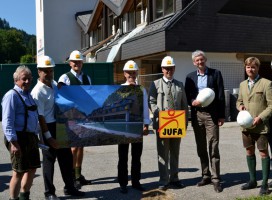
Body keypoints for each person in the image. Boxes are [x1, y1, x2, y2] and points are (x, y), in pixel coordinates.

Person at [31, 55, 85, 200]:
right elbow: (40, 117)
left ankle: (70, 188)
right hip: (47, 128)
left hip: (60, 125)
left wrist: (62, 87)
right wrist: (49, 137)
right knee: (49, 161)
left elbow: (63, 93)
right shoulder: (37, 92)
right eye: (45, 71)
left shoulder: (54, 84)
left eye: (51, 71)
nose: (49, 74)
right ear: (39, 71)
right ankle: (49, 193)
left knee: (66, 159)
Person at [185, 50, 225, 193]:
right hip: (197, 115)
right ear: (194, 62)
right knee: (201, 146)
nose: (200, 62)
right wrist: (192, 102)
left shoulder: (215, 74)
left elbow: (220, 95)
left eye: (202, 59)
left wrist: (221, 116)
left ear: (205, 59)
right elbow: (187, 95)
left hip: (212, 115)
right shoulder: (190, 77)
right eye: (197, 60)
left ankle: (216, 179)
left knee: (213, 146)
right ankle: (205, 174)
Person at [148, 56, 188, 190]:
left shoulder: (180, 84)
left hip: (176, 123)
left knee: (175, 152)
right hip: (162, 124)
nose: (169, 71)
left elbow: (184, 104)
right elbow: (151, 101)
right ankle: (163, 180)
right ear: (162, 69)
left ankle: (175, 179)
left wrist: (185, 123)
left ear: (174, 69)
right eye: (166, 68)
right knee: (163, 153)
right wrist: (157, 112)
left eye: (171, 68)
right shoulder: (155, 84)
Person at [2, 66, 40, 200]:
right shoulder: (11, 95)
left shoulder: (28, 95)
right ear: (16, 79)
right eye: (24, 79)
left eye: (29, 79)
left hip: (30, 136)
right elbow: (7, 121)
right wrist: (13, 142)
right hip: (18, 138)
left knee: (32, 168)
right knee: (18, 171)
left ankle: (25, 197)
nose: (27, 81)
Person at [236, 57, 272, 195]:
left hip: (261, 126)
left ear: (258, 68)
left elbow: (271, 106)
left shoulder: (266, 84)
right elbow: (238, 101)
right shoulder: (242, 85)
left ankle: (264, 184)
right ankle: (252, 180)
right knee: (249, 151)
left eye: (253, 67)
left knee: (263, 153)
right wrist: (240, 107)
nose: (250, 69)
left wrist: (260, 117)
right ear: (245, 68)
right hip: (246, 127)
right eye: (248, 67)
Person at [58, 50, 92, 189]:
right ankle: (72, 176)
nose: (77, 63)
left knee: (81, 146)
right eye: (74, 61)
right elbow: (61, 98)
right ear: (70, 63)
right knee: (73, 147)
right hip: (71, 117)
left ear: (82, 62)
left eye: (79, 61)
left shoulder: (87, 78)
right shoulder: (64, 78)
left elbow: (90, 96)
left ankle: (78, 174)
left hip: (83, 116)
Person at [118, 60, 150, 193]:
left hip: (137, 127)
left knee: (137, 157)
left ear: (137, 73)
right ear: (124, 74)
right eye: (129, 72)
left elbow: (145, 108)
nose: (131, 74)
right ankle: (123, 183)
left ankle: (136, 182)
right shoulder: (119, 89)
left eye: (133, 72)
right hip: (124, 128)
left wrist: (146, 124)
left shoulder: (141, 89)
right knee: (123, 156)